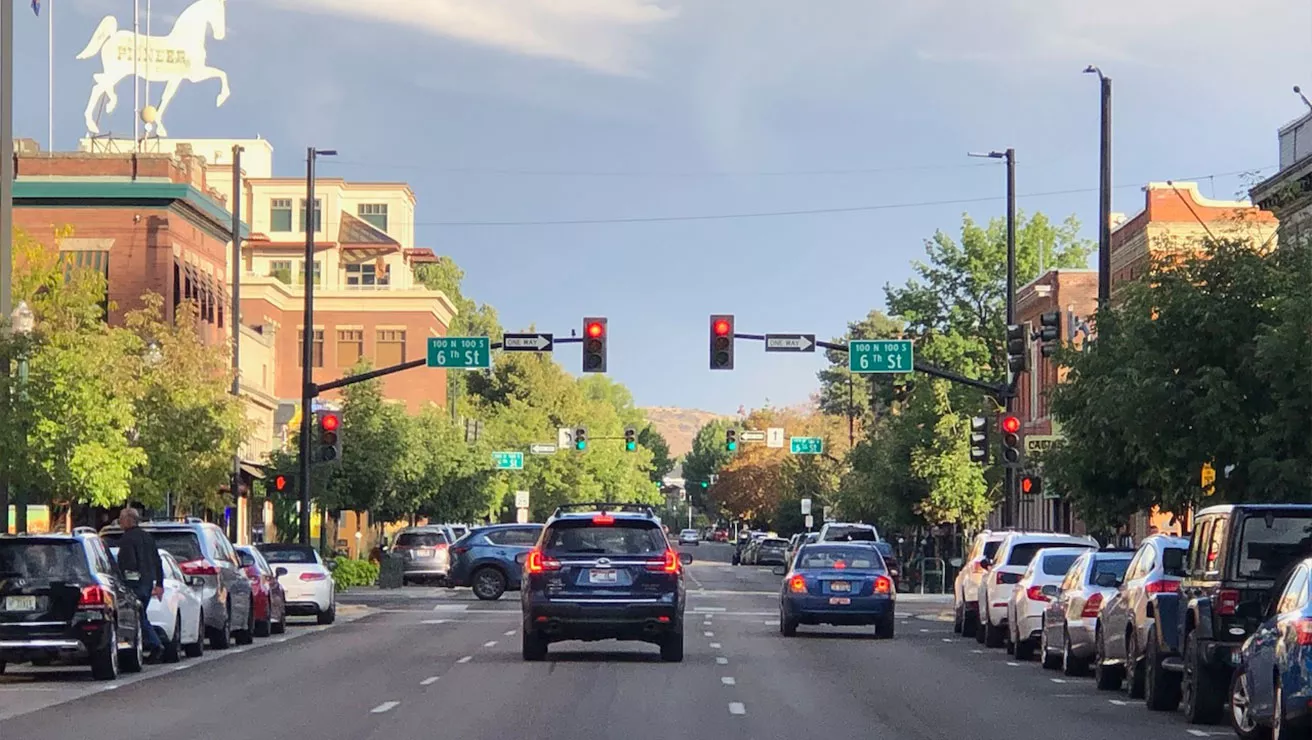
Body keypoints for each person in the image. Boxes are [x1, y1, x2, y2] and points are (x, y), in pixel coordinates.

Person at [114, 507, 165, 661]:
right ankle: (152, 644)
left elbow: (127, 563)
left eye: (121, 519)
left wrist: (124, 582)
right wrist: (159, 583)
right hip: (148, 583)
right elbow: (157, 561)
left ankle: (155, 644)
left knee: (137, 616)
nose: (120, 522)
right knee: (141, 615)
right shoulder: (147, 538)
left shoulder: (127, 539)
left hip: (135, 585)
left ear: (129, 520)